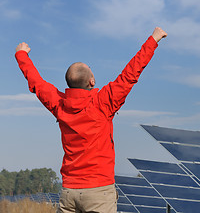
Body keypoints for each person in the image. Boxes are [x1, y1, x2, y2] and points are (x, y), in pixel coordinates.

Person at [15, 27, 167, 213]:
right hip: (99, 192)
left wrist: (21, 55)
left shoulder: (59, 104)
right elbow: (130, 74)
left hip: (69, 192)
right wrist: (153, 39)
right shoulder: (104, 102)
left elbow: (37, 83)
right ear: (92, 82)